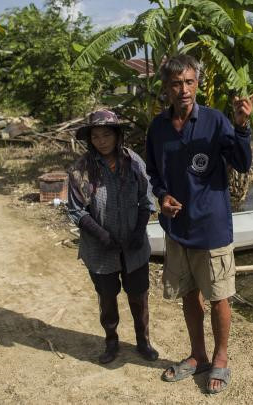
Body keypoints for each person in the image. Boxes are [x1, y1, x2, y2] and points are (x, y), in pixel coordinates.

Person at [145, 54, 253, 394]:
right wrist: (162, 197)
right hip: (177, 228)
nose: (184, 90)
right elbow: (154, 173)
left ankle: (220, 359)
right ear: (166, 88)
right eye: (177, 83)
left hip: (212, 227)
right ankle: (198, 356)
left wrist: (241, 127)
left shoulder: (215, 121)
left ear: (198, 84)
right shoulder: (158, 128)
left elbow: (241, 162)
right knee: (189, 294)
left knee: (219, 296)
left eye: (190, 82)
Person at [66, 109, 159, 364]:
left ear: (118, 135)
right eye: (96, 136)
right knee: (107, 298)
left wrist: (139, 232)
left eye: (107, 134)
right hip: (99, 250)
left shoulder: (134, 162)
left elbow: (146, 201)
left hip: (134, 247)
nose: (102, 141)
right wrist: (103, 236)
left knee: (138, 295)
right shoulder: (81, 169)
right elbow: (76, 210)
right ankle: (111, 341)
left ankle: (143, 342)